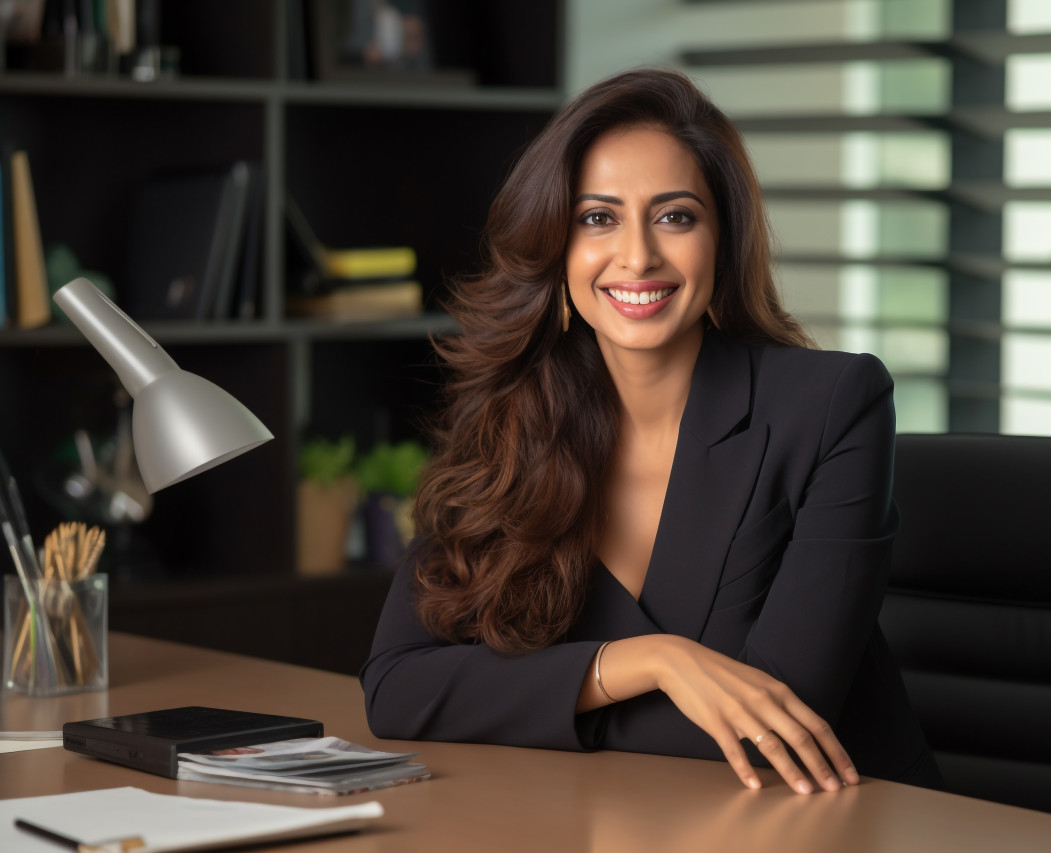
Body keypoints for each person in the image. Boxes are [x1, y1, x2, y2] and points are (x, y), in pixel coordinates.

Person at [360, 67, 942, 795]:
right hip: (615, 821)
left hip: (835, 826)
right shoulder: (510, 420)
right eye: (597, 217)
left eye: (675, 216)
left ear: (722, 239)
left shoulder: (832, 405)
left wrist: (524, 698)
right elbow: (396, 688)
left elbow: (772, 729)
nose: (637, 256)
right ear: (555, 244)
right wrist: (650, 661)